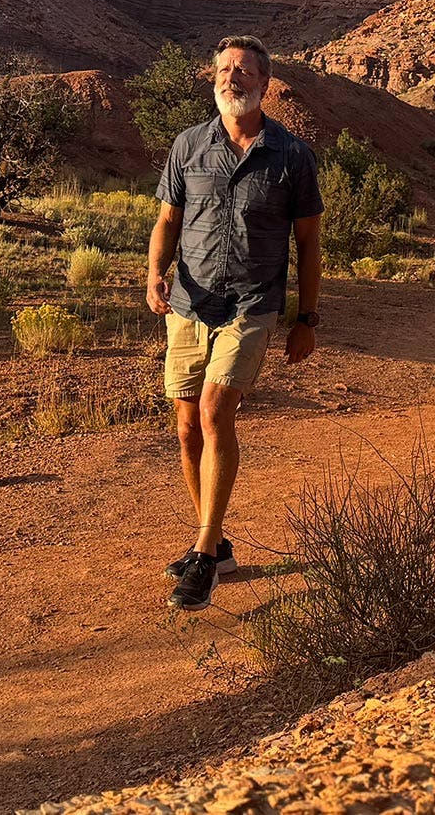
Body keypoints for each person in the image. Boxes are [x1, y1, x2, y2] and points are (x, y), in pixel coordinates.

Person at [147, 35, 322, 610]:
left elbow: (309, 243)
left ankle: (202, 555)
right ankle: (216, 541)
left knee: (216, 412)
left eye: (244, 71)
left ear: (265, 84)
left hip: (252, 305)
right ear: (213, 79)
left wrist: (307, 318)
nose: (233, 78)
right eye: (225, 69)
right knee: (185, 428)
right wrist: (154, 274)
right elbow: (168, 220)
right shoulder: (188, 145)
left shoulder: (292, 155)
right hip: (189, 304)